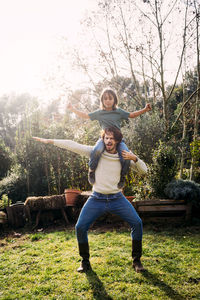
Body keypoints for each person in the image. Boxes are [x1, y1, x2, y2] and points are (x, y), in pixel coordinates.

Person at [32, 126, 147, 273]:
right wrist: (50, 141)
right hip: (97, 198)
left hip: (117, 198)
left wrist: (135, 159)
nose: (108, 141)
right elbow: (73, 145)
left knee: (137, 223)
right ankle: (85, 261)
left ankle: (136, 261)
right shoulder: (96, 153)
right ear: (103, 139)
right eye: (106, 137)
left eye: (112, 138)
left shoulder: (124, 156)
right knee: (80, 227)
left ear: (118, 140)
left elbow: (144, 171)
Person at [67, 87, 151, 188]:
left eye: (110, 98)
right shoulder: (99, 113)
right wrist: (73, 109)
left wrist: (145, 110)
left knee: (126, 154)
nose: (107, 101)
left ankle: (122, 176)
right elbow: (85, 115)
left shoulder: (118, 111)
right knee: (97, 150)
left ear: (114, 100)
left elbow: (132, 115)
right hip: (104, 139)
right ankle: (92, 170)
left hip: (118, 140)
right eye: (105, 98)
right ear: (102, 100)